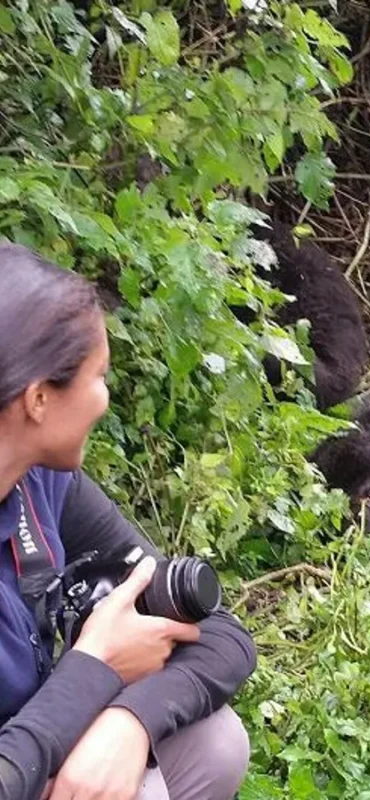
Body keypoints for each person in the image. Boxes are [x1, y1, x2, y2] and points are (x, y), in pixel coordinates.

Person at [0, 243, 258, 800]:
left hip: (30, 755)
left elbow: (218, 633)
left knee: (214, 742)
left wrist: (130, 719)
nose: (104, 399)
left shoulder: (39, 484)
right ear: (38, 398)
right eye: (98, 376)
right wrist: (94, 668)